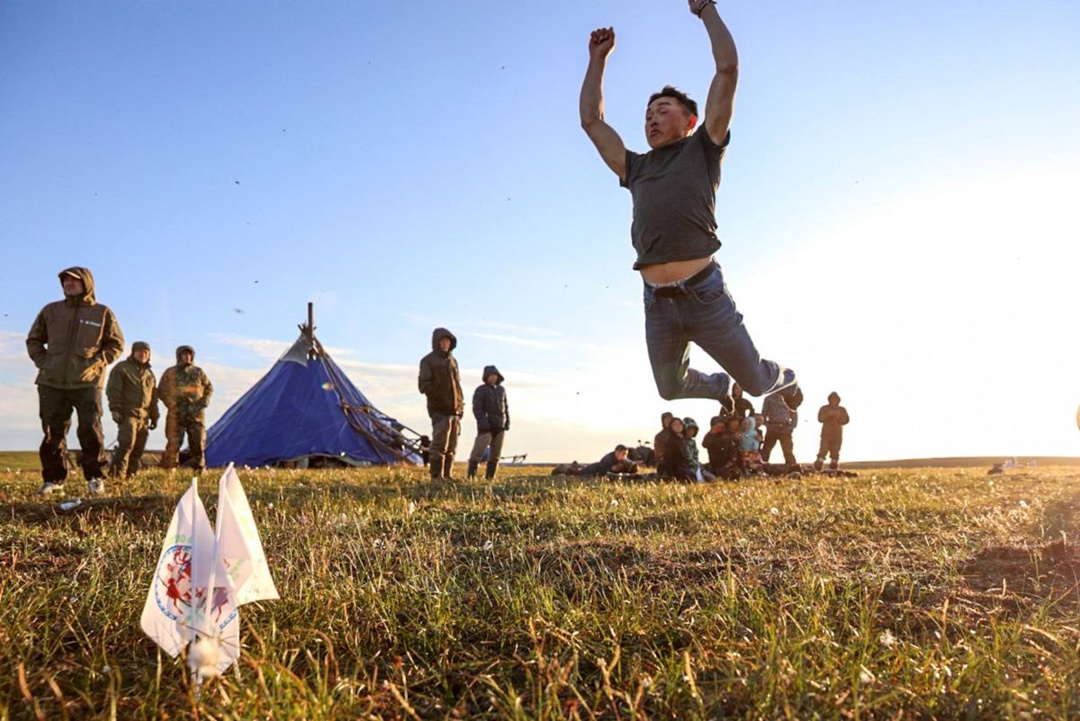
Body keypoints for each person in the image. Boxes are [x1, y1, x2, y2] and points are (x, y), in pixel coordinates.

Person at [579, 1, 798, 415]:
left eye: (663, 110)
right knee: (669, 388)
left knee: (755, 381)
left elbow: (727, 71)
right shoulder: (635, 167)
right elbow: (592, 121)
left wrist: (706, 11)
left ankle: (785, 377)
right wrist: (597, 60)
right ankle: (718, 386)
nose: (652, 119)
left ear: (690, 122)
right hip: (657, 302)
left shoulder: (704, 148)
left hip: (705, 296)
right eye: (647, 114)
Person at [26, 267, 124, 495]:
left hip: (87, 382)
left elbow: (116, 344)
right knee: (52, 432)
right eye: (65, 280)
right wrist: (44, 363)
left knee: (90, 428)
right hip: (51, 381)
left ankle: (95, 477)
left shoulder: (102, 313)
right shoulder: (51, 311)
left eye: (74, 280)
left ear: (87, 283)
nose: (69, 283)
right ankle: (54, 480)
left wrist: (98, 362)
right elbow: (34, 340)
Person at [105, 341, 159, 480]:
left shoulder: (149, 374)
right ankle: (117, 476)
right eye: (140, 352)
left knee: (138, 449)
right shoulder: (122, 368)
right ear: (133, 352)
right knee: (127, 444)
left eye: (146, 352)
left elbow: (153, 397)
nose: (143, 355)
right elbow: (113, 389)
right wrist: (115, 409)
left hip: (144, 416)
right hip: (128, 413)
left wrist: (155, 416)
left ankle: (130, 476)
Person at [157, 345, 214, 472]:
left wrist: (203, 403)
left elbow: (209, 388)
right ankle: (170, 468)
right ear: (179, 356)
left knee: (197, 442)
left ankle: (199, 468)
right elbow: (160, 391)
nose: (187, 357)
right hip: (176, 414)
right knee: (174, 443)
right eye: (184, 355)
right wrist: (171, 403)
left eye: (189, 355)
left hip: (196, 414)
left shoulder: (198, 372)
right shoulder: (170, 372)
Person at [418, 328, 464, 480]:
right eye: (442, 341)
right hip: (439, 410)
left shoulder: (453, 361)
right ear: (436, 343)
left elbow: (457, 385)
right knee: (439, 445)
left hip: (455, 410)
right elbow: (423, 385)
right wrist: (438, 397)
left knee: (452, 446)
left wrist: (460, 405)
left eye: (448, 341)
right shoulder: (428, 361)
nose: (445, 344)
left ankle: (447, 475)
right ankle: (436, 477)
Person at [467, 365, 510, 480]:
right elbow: (477, 409)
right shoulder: (481, 390)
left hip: (500, 426)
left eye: (494, 375)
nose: (493, 378)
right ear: (486, 377)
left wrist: (507, 422)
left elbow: (506, 407)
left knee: (495, 455)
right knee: (477, 453)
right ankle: (471, 476)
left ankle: (490, 478)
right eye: (490, 375)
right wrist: (483, 423)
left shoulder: (502, 390)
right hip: (486, 427)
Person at [761, 387, 802, 469]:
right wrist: (767, 425)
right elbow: (764, 413)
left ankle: (793, 468)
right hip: (772, 427)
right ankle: (761, 468)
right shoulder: (769, 399)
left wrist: (791, 427)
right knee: (766, 450)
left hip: (785, 428)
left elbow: (794, 413)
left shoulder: (789, 398)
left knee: (788, 451)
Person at [815, 392, 850, 471]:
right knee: (823, 450)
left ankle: (833, 467)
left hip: (837, 434)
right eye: (832, 399)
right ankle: (818, 466)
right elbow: (820, 419)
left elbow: (846, 420)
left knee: (835, 452)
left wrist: (838, 417)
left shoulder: (841, 409)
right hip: (826, 434)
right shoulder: (824, 408)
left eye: (835, 399)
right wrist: (828, 415)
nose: (833, 401)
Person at [653, 411, 675, 475]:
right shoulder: (659, 436)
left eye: (669, 419)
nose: (668, 421)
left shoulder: (678, 434)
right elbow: (659, 454)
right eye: (666, 419)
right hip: (665, 463)